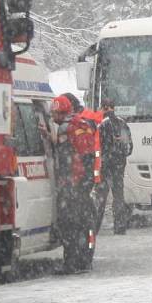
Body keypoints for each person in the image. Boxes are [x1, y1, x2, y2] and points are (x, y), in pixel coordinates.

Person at [51, 95, 98, 273]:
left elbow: (64, 157)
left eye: (54, 112)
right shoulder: (82, 123)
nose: (52, 116)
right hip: (85, 181)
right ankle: (85, 260)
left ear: (60, 112)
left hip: (73, 182)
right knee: (85, 222)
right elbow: (87, 153)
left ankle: (70, 263)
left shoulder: (65, 128)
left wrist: (66, 183)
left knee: (68, 222)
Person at [95, 99, 133, 235]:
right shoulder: (122, 123)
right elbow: (130, 148)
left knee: (101, 197)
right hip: (119, 166)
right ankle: (120, 227)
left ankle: (95, 228)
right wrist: (120, 156)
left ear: (104, 107)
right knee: (118, 196)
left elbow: (95, 146)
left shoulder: (100, 125)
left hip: (104, 166)